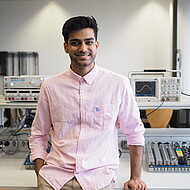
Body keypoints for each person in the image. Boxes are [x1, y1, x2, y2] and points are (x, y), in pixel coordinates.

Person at [29, 16, 147, 190]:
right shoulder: (50, 87)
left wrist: (135, 177)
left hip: (99, 179)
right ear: (66, 47)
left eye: (88, 42)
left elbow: (134, 131)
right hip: (54, 179)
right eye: (75, 43)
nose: (83, 48)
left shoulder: (118, 84)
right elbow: (38, 134)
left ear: (96, 45)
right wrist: (40, 172)